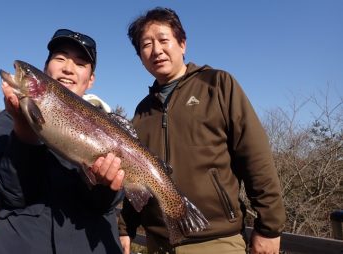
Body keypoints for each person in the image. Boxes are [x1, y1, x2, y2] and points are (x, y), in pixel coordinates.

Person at [118, 7, 286, 254]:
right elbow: (137, 175)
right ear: (140, 56)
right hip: (158, 244)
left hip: (217, 241)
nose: (156, 50)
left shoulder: (217, 85)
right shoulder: (142, 112)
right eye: (146, 45)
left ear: (182, 44)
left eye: (164, 40)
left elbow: (255, 156)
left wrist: (270, 227)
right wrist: (125, 228)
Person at [0, 28, 125, 254]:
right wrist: (23, 131)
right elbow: (10, 196)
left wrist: (104, 186)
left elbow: (105, 205)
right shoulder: (6, 122)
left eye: (80, 64)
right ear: (45, 68)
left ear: (90, 80)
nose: (68, 68)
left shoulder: (110, 130)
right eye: (60, 58)